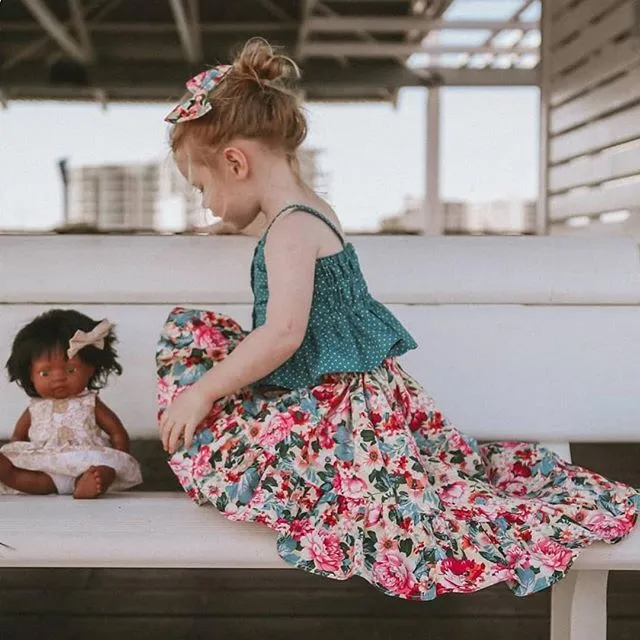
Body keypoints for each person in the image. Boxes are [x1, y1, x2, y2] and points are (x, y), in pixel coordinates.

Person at [157, 38, 638, 600]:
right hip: (358, 392)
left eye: (203, 188)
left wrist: (203, 393)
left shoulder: (289, 230)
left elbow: (283, 334)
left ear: (237, 163)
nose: (208, 206)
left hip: (340, 405)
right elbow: (264, 227)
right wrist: (232, 225)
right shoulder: (308, 211)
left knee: (208, 379)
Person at [0, 309, 142, 498]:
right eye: (45, 373)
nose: (58, 379)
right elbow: (18, 436)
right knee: (24, 478)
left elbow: (116, 431)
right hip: (45, 469)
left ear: (91, 368)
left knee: (106, 470)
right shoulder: (35, 407)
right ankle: (7, 472)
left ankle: (90, 483)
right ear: (30, 376)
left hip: (87, 463)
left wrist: (119, 458)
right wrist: (15, 455)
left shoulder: (90, 402)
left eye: (70, 370)